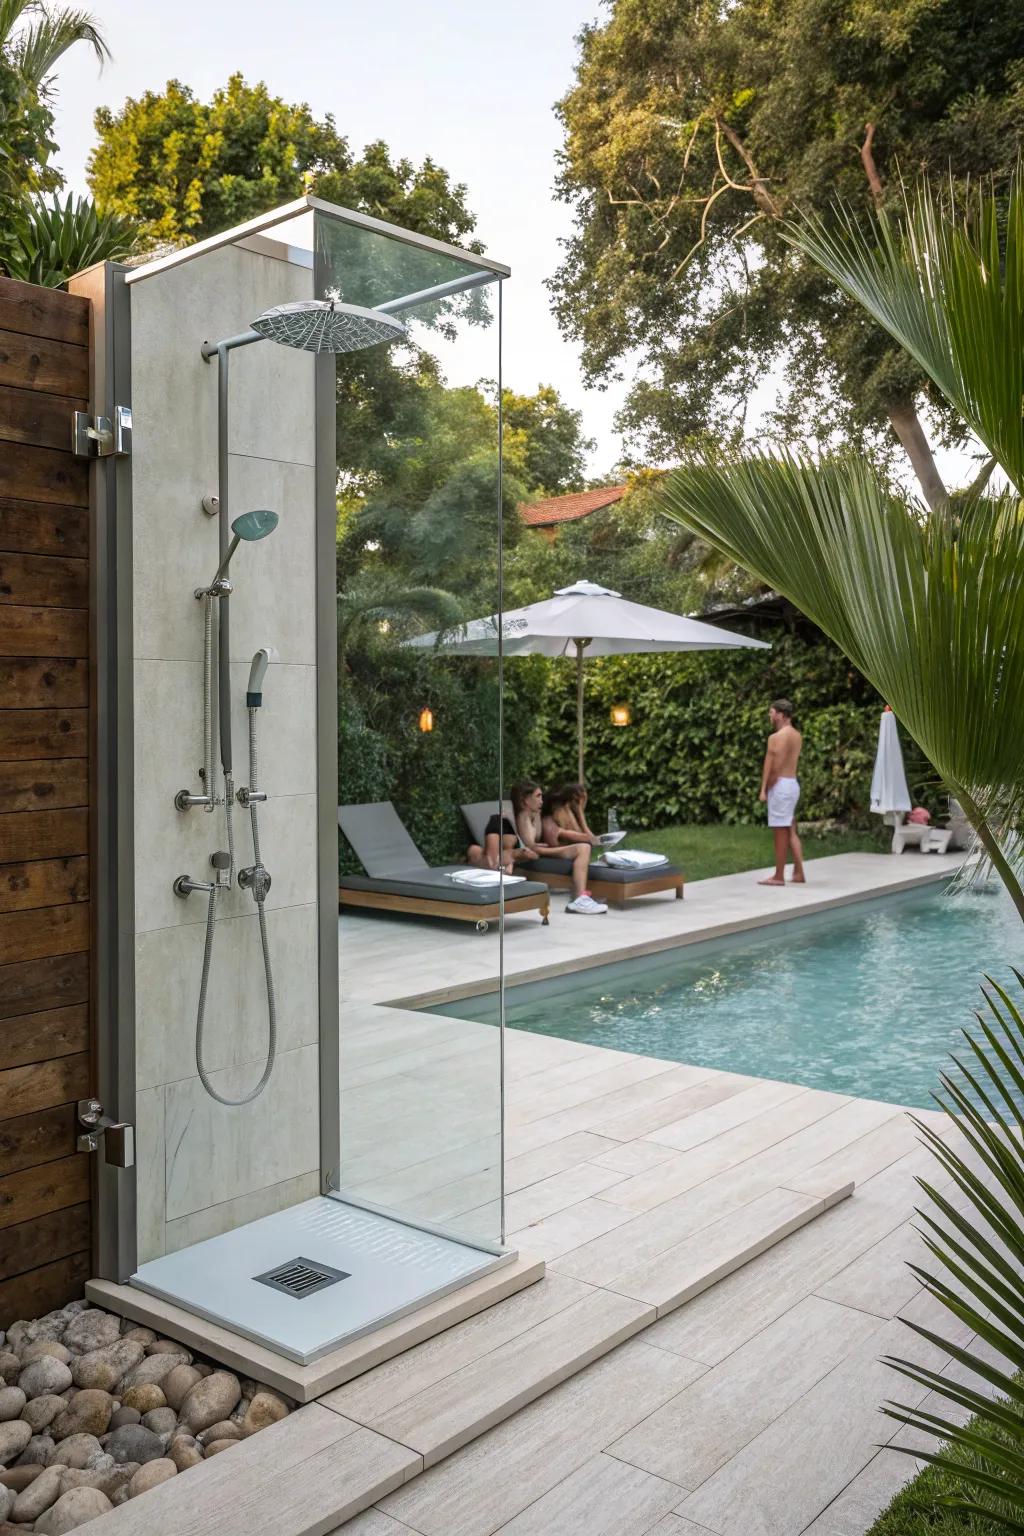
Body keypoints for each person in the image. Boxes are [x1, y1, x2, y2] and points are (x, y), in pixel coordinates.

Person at [512, 781, 608, 914]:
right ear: (526, 800)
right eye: (538, 796)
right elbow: (531, 850)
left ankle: (580, 898)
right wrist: (536, 846)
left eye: (542, 796)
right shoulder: (524, 817)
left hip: (540, 851)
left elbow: (532, 844)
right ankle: (579, 899)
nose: (541, 800)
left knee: (584, 847)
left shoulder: (536, 815)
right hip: (532, 855)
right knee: (583, 848)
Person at [758, 698, 805, 886]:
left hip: (781, 786)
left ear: (780, 714)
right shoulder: (796, 735)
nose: (769, 716)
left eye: (771, 713)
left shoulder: (776, 738)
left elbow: (775, 767)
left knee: (780, 832)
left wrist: (765, 789)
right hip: (792, 784)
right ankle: (799, 872)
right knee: (790, 829)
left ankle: (778, 876)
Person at [547, 782, 600, 847]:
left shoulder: (571, 813)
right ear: (575, 799)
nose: (584, 803)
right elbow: (594, 841)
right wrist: (580, 812)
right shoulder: (562, 813)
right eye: (583, 799)